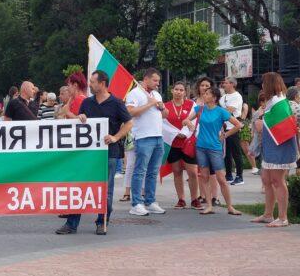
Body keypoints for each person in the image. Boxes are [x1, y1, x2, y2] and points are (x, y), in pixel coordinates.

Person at [55, 70, 133, 236]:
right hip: (88, 154)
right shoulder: (87, 103)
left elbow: (129, 123)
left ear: (102, 84)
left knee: (106, 190)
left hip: (109, 153)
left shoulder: (116, 103)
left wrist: (115, 137)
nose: (89, 84)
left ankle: (102, 222)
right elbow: (81, 123)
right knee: (80, 187)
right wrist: (81, 117)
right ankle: (71, 224)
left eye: (92, 82)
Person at [183, 86, 243, 215]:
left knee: (221, 178)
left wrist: (225, 135)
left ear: (214, 98)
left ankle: (230, 207)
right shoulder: (200, 109)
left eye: (207, 93)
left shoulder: (221, 111)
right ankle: (209, 206)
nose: (204, 95)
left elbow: (238, 125)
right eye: (204, 93)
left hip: (215, 148)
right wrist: (189, 123)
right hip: (200, 147)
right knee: (204, 177)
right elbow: (185, 120)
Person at [252, 72, 299, 227]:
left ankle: (283, 217)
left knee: (278, 181)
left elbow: (284, 128)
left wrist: (262, 125)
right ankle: (268, 214)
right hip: (271, 146)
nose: (262, 86)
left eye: (264, 83)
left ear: (270, 85)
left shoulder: (279, 102)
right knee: (266, 179)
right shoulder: (273, 101)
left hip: (280, 147)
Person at [126, 68, 169, 216]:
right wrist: (150, 104)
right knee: (140, 171)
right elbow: (130, 112)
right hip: (143, 137)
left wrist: (162, 107)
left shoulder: (156, 94)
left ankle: (150, 201)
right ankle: (136, 203)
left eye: (158, 81)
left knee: (152, 172)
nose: (157, 83)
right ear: (146, 79)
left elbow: (165, 115)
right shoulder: (135, 93)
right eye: (155, 80)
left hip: (158, 136)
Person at [164, 81, 201, 209]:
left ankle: (195, 199)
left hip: (188, 143)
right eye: (176, 89)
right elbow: (163, 124)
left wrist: (184, 133)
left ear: (185, 92)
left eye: (181, 90)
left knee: (193, 172)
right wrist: (175, 134)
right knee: (177, 172)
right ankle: (181, 199)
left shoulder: (191, 104)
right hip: (173, 143)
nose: (178, 92)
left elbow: (195, 121)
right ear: (172, 90)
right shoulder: (166, 106)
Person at [194, 77, 220, 206]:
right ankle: (203, 195)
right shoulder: (194, 103)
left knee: (213, 170)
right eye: (202, 85)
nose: (204, 88)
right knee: (201, 169)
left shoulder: (214, 103)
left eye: (207, 86)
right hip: (197, 138)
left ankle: (215, 197)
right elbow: (189, 118)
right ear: (198, 87)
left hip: (212, 139)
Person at [220, 77, 245, 185]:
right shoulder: (223, 97)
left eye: (226, 83)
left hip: (233, 126)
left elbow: (230, 110)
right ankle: (228, 174)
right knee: (226, 153)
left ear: (232, 84)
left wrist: (218, 111)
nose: (223, 84)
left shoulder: (237, 96)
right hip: (224, 127)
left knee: (236, 152)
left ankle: (239, 176)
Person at [239, 102, 258, 175]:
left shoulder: (244, 104)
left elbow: (243, 117)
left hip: (243, 126)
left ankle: (254, 167)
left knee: (246, 149)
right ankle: (240, 166)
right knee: (239, 149)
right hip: (239, 125)